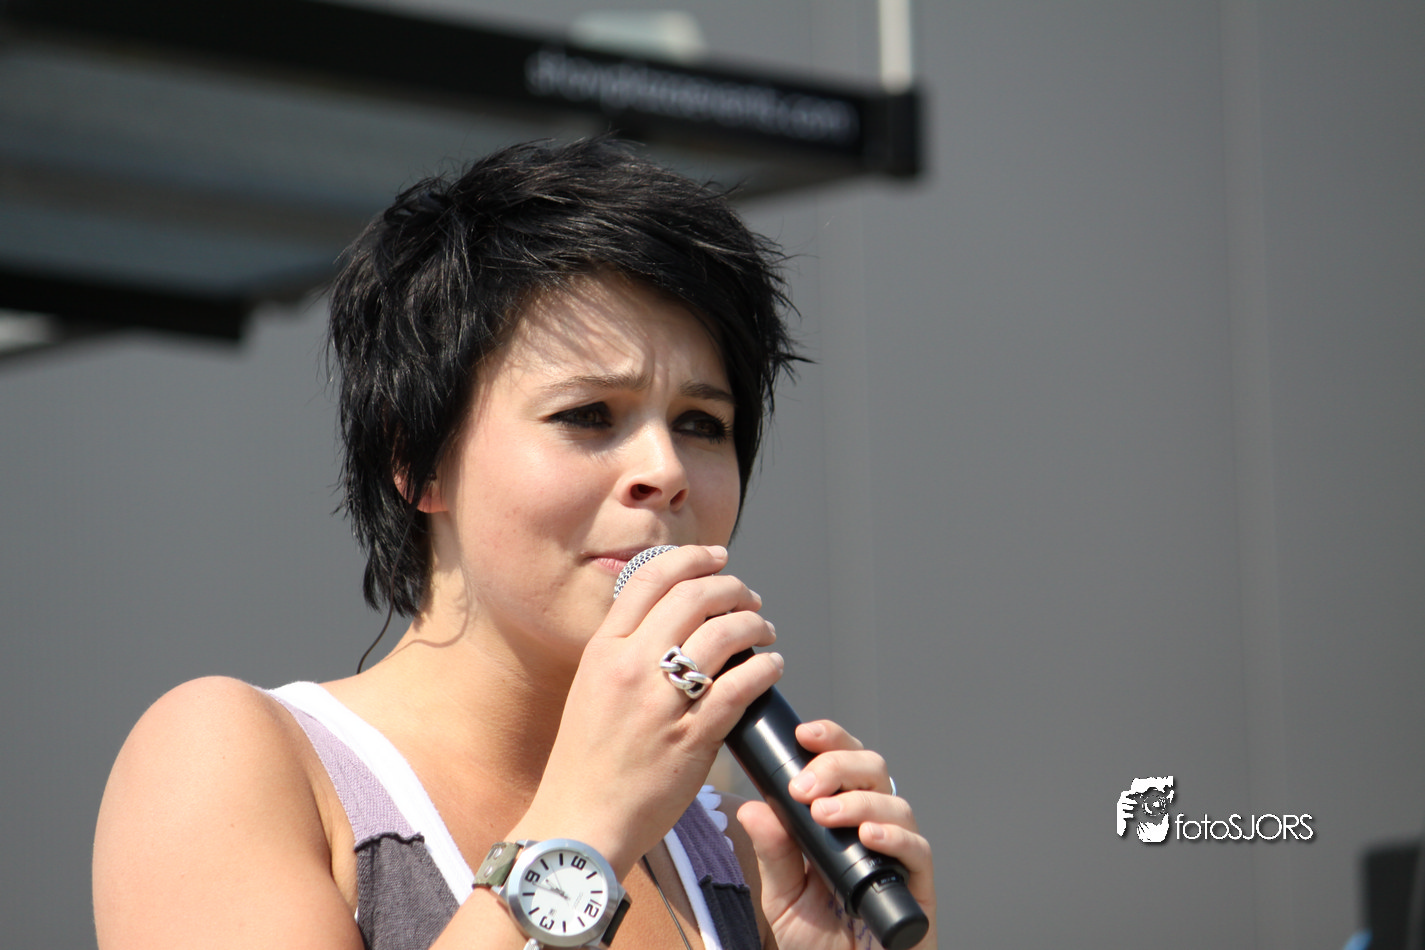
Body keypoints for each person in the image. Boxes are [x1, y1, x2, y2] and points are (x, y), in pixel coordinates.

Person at [93, 138, 936, 950]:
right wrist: (582, 827)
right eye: (588, 415)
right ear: (417, 460)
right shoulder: (237, 761)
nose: (665, 470)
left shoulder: (739, 850)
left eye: (701, 423)